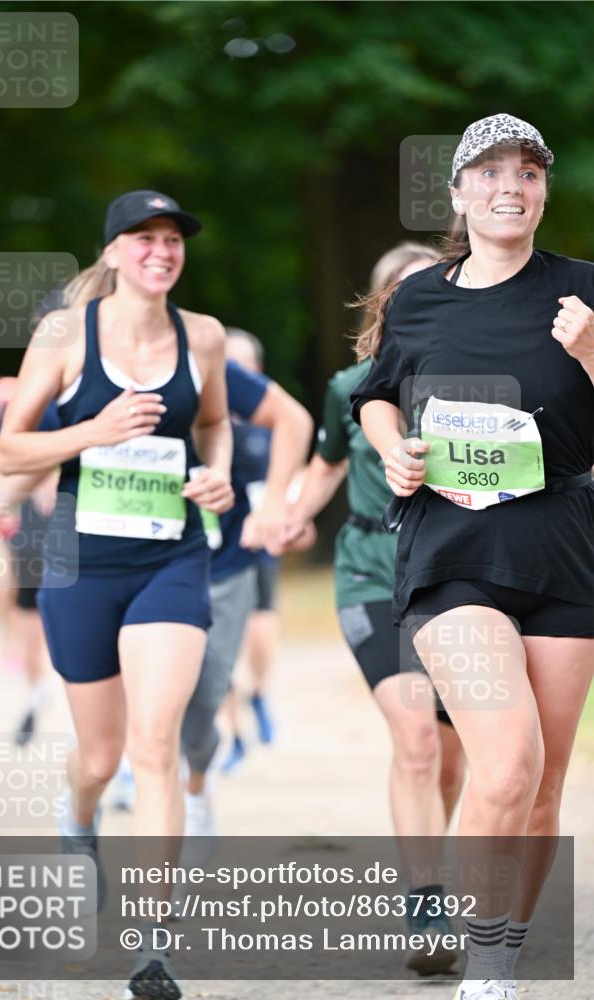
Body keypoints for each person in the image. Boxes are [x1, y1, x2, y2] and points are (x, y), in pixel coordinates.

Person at [351, 115, 594, 1000]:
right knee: (506, 761)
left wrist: (592, 353)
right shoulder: (419, 296)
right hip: (452, 552)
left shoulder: (584, 292)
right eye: (488, 171)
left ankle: (495, 960)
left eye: (527, 172)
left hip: (563, 550)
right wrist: (390, 448)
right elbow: (374, 397)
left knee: (543, 784)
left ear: (542, 192)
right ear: (456, 192)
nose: (509, 186)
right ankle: (477, 973)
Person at [0, 189, 235, 1000]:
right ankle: (78, 820)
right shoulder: (66, 334)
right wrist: (91, 431)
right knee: (99, 757)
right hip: (79, 564)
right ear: (112, 254)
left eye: (172, 240)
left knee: (154, 744)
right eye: (144, 239)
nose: (161, 252)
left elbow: (212, 423)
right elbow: (9, 450)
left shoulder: (199, 336)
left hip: (170, 559)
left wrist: (219, 475)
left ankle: (152, 944)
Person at [281, 243, 466, 975]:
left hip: (456, 585)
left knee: (450, 760)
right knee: (416, 737)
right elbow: (325, 465)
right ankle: (426, 901)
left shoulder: (474, 387)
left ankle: (429, 872)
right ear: (384, 305)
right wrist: (287, 516)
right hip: (368, 575)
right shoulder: (350, 385)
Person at [181, 351, 313, 832]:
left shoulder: (244, 417)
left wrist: (281, 508)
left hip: (233, 555)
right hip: (146, 565)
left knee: (208, 688)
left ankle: (203, 767)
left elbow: (294, 426)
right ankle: (141, 775)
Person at [219, 328, 284, 770]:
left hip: (258, 540)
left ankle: (258, 692)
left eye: (241, 365)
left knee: (260, 624)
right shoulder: (200, 420)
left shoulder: (272, 426)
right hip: (214, 544)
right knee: (215, 641)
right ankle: (234, 734)